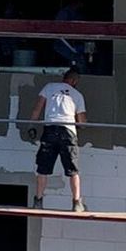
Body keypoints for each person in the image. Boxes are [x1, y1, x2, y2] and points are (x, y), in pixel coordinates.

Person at [30, 67, 87, 212]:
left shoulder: (49, 87)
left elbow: (37, 109)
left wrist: (31, 125)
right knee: (73, 170)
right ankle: (76, 204)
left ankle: (38, 201)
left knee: (43, 169)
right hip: (67, 131)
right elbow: (82, 122)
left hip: (50, 131)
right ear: (74, 81)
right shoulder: (77, 95)